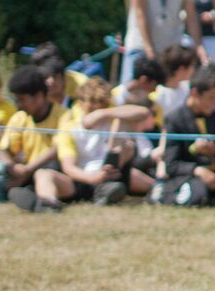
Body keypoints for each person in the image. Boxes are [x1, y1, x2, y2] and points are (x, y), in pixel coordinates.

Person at [24, 77, 157, 210]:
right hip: (82, 180)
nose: (96, 106)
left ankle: (154, 190)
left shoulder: (111, 118)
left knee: (125, 139)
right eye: (92, 102)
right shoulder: (70, 127)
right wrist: (93, 178)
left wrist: (102, 114)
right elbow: (68, 167)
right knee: (43, 174)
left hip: (111, 174)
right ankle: (48, 204)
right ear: (81, 103)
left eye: (101, 102)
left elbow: (143, 112)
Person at [156, 64, 215, 206]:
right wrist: (197, 170)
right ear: (195, 93)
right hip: (191, 176)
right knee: (197, 195)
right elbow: (171, 165)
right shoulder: (175, 119)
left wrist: (214, 150)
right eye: (211, 98)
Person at [0, 65, 68, 205]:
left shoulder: (64, 116)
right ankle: (32, 197)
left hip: (54, 173)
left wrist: (28, 169)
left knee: (48, 169)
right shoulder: (20, 117)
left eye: (21, 100)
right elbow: (3, 149)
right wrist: (12, 167)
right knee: (0, 171)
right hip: (26, 173)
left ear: (39, 96)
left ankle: (44, 200)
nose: (18, 105)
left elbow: (57, 149)